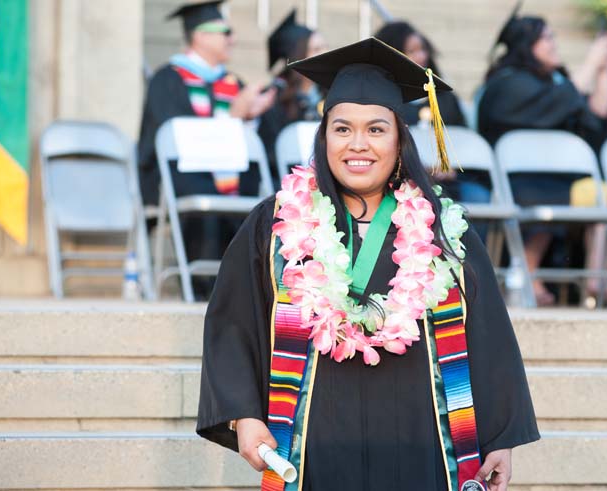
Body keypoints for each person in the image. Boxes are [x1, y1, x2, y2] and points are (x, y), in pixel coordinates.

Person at [196, 37, 539, 491]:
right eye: (342, 129)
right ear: (324, 136)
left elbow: (488, 331)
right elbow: (234, 323)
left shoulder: (441, 228)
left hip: (424, 442)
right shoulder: (277, 223)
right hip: (313, 445)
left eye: (376, 129)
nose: (358, 145)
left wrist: (499, 437)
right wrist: (243, 416)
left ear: (400, 139)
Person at [477, 6, 607, 306]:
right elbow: (557, 102)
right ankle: (528, 274)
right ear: (526, 45)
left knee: (606, 196)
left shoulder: (553, 83)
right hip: (518, 182)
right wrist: (590, 62)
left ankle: (594, 285)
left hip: (557, 179)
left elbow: (596, 115)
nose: (555, 45)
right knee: (546, 194)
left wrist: (603, 68)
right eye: (546, 39)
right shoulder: (506, 84)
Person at [137, 0, 276, 296]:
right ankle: (206, 288)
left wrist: (251, 118)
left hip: (228, 175)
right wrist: (233, 117)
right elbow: (178, 141)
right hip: (180, 174)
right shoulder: (168, 79)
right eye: (225, 31)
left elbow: (249, 143)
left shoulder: (233, 83)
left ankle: (242, 289)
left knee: (256, 188)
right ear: (200, 35)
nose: (232, 39)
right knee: (203, 185)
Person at [374, 20, 490, 208]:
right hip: (399, 182)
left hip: (451, 180)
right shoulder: (380, 101)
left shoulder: (444, 99)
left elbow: (461, 140)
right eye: (411, 51)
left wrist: (451, 168)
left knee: (478, 196)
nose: (420, 57)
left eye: (422, 49)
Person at [257, 10, 328, 182]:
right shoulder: (274, 100)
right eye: (317, 49)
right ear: (298, 56)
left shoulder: (330, 93)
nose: (326, 53)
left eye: (325, 46)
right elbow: (271, 155)